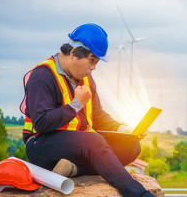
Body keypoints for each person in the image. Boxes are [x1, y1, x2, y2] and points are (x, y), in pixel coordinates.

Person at [20, 23, 155, 197]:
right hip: (41, 145)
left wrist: (123, 129)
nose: (93, 68)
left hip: (78, 145)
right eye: (91, 61)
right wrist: (76, 104)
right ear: (74, 52)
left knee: (130, 146)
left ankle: (74, 169)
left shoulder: (87, 80)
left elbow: (97, 116)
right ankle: (139, 194)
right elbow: (42, 123)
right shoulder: (43, 75)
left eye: (96, 63)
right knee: (93, 141)